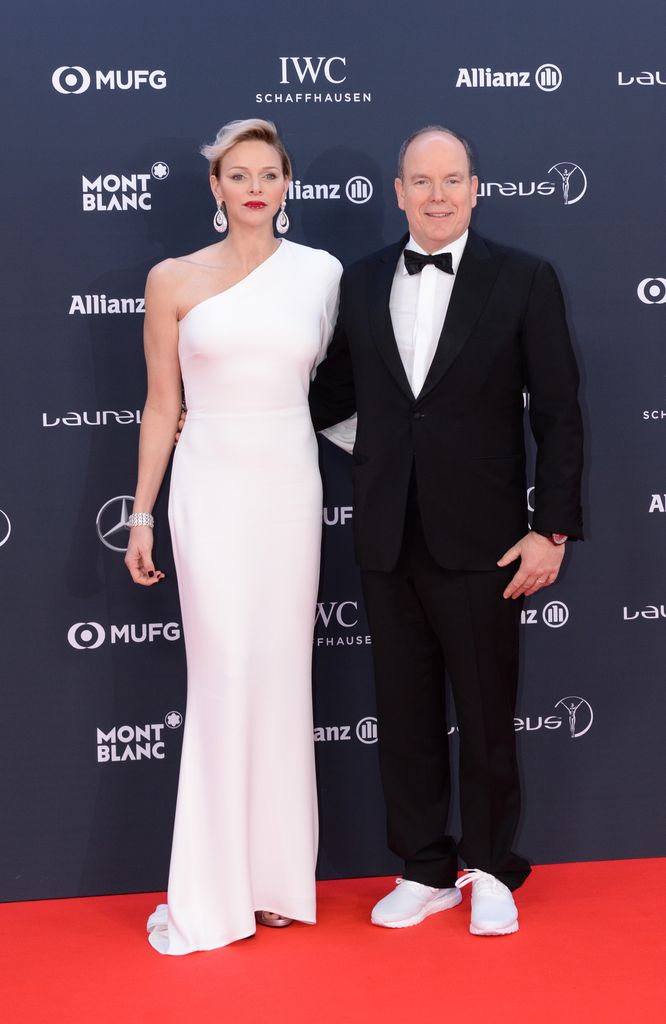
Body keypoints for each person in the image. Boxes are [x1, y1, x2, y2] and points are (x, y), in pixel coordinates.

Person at [309, 126, 584, 936]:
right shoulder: (358, 284)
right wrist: (393, 452)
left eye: (452, 180)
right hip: (390, 536)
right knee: (405, 713)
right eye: (420, 182)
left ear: (475, 188)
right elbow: (329, 397)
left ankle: (493, 868)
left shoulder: (525, 279)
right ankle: (422, 867)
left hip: (489, 539)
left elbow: (561, 416)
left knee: (489, 711)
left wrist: (552, 531)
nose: (436, 195)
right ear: (398, 193)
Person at [124, 118, 342, 954]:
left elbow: (353, 385)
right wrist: (141, 511)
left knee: (284, 673)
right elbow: (160, 407)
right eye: (237, 173)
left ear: (286, 185)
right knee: (224, 672)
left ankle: (278, 881)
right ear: (215, 188)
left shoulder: (319, 275)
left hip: (289, 484)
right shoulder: (172, 278)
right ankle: (213, 889)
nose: (255, 186)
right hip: (209, 488)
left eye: (270, 173)